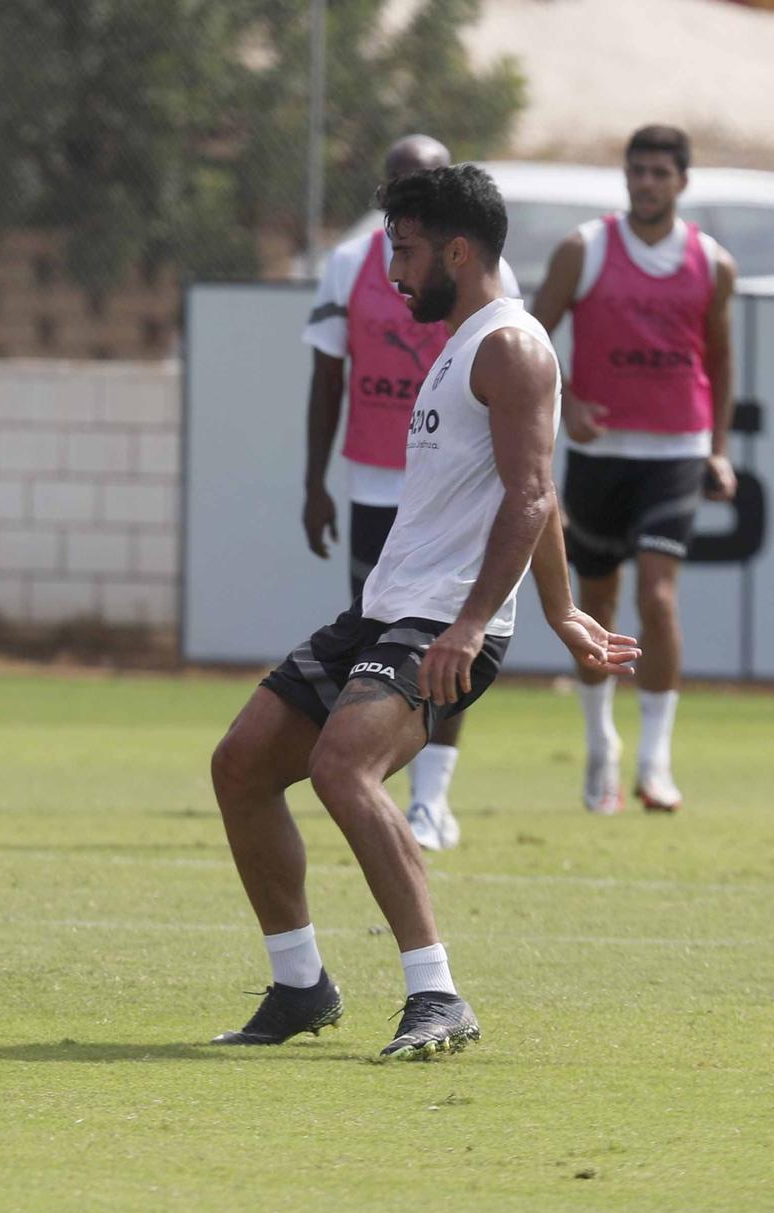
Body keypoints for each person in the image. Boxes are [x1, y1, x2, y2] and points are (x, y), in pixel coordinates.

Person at [210, 166, 638, 1060]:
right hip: (387, 609)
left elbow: (529, 495)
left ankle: (437, 994)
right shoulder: (461, 338)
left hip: (444, 622)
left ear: (458, 249)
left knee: (342, 770)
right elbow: (533, 493)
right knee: (242, 763)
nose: (392, 270)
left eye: (403, 250)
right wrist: (562, 609)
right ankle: (299, 986)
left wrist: (478, 623)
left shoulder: (510, 346)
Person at [301, 135, 525, 853]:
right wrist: (315, 481)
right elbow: (328, 374)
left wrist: (553, 605)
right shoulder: (347, 264)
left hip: (456, 489)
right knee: (380, 630)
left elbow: (531, 473)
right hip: (376, 477)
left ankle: (429, 798)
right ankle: (365, 776)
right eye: (402, 181)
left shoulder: (496, 304)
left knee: (448, 635)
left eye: (427, 181)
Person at [530, 124, 736, 814]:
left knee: (659, 595)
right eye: (636, 170)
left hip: (676, 451)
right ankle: (600, 749)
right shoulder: (583, 250)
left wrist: (719, 449)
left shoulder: (712, 263)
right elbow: (529, 340)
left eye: (659, 172)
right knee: (598, 604)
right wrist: (570, 399)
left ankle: (655, 762)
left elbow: (720, 358)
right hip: (599, 456)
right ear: (626, 178)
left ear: (682, 182)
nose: (646, 182)